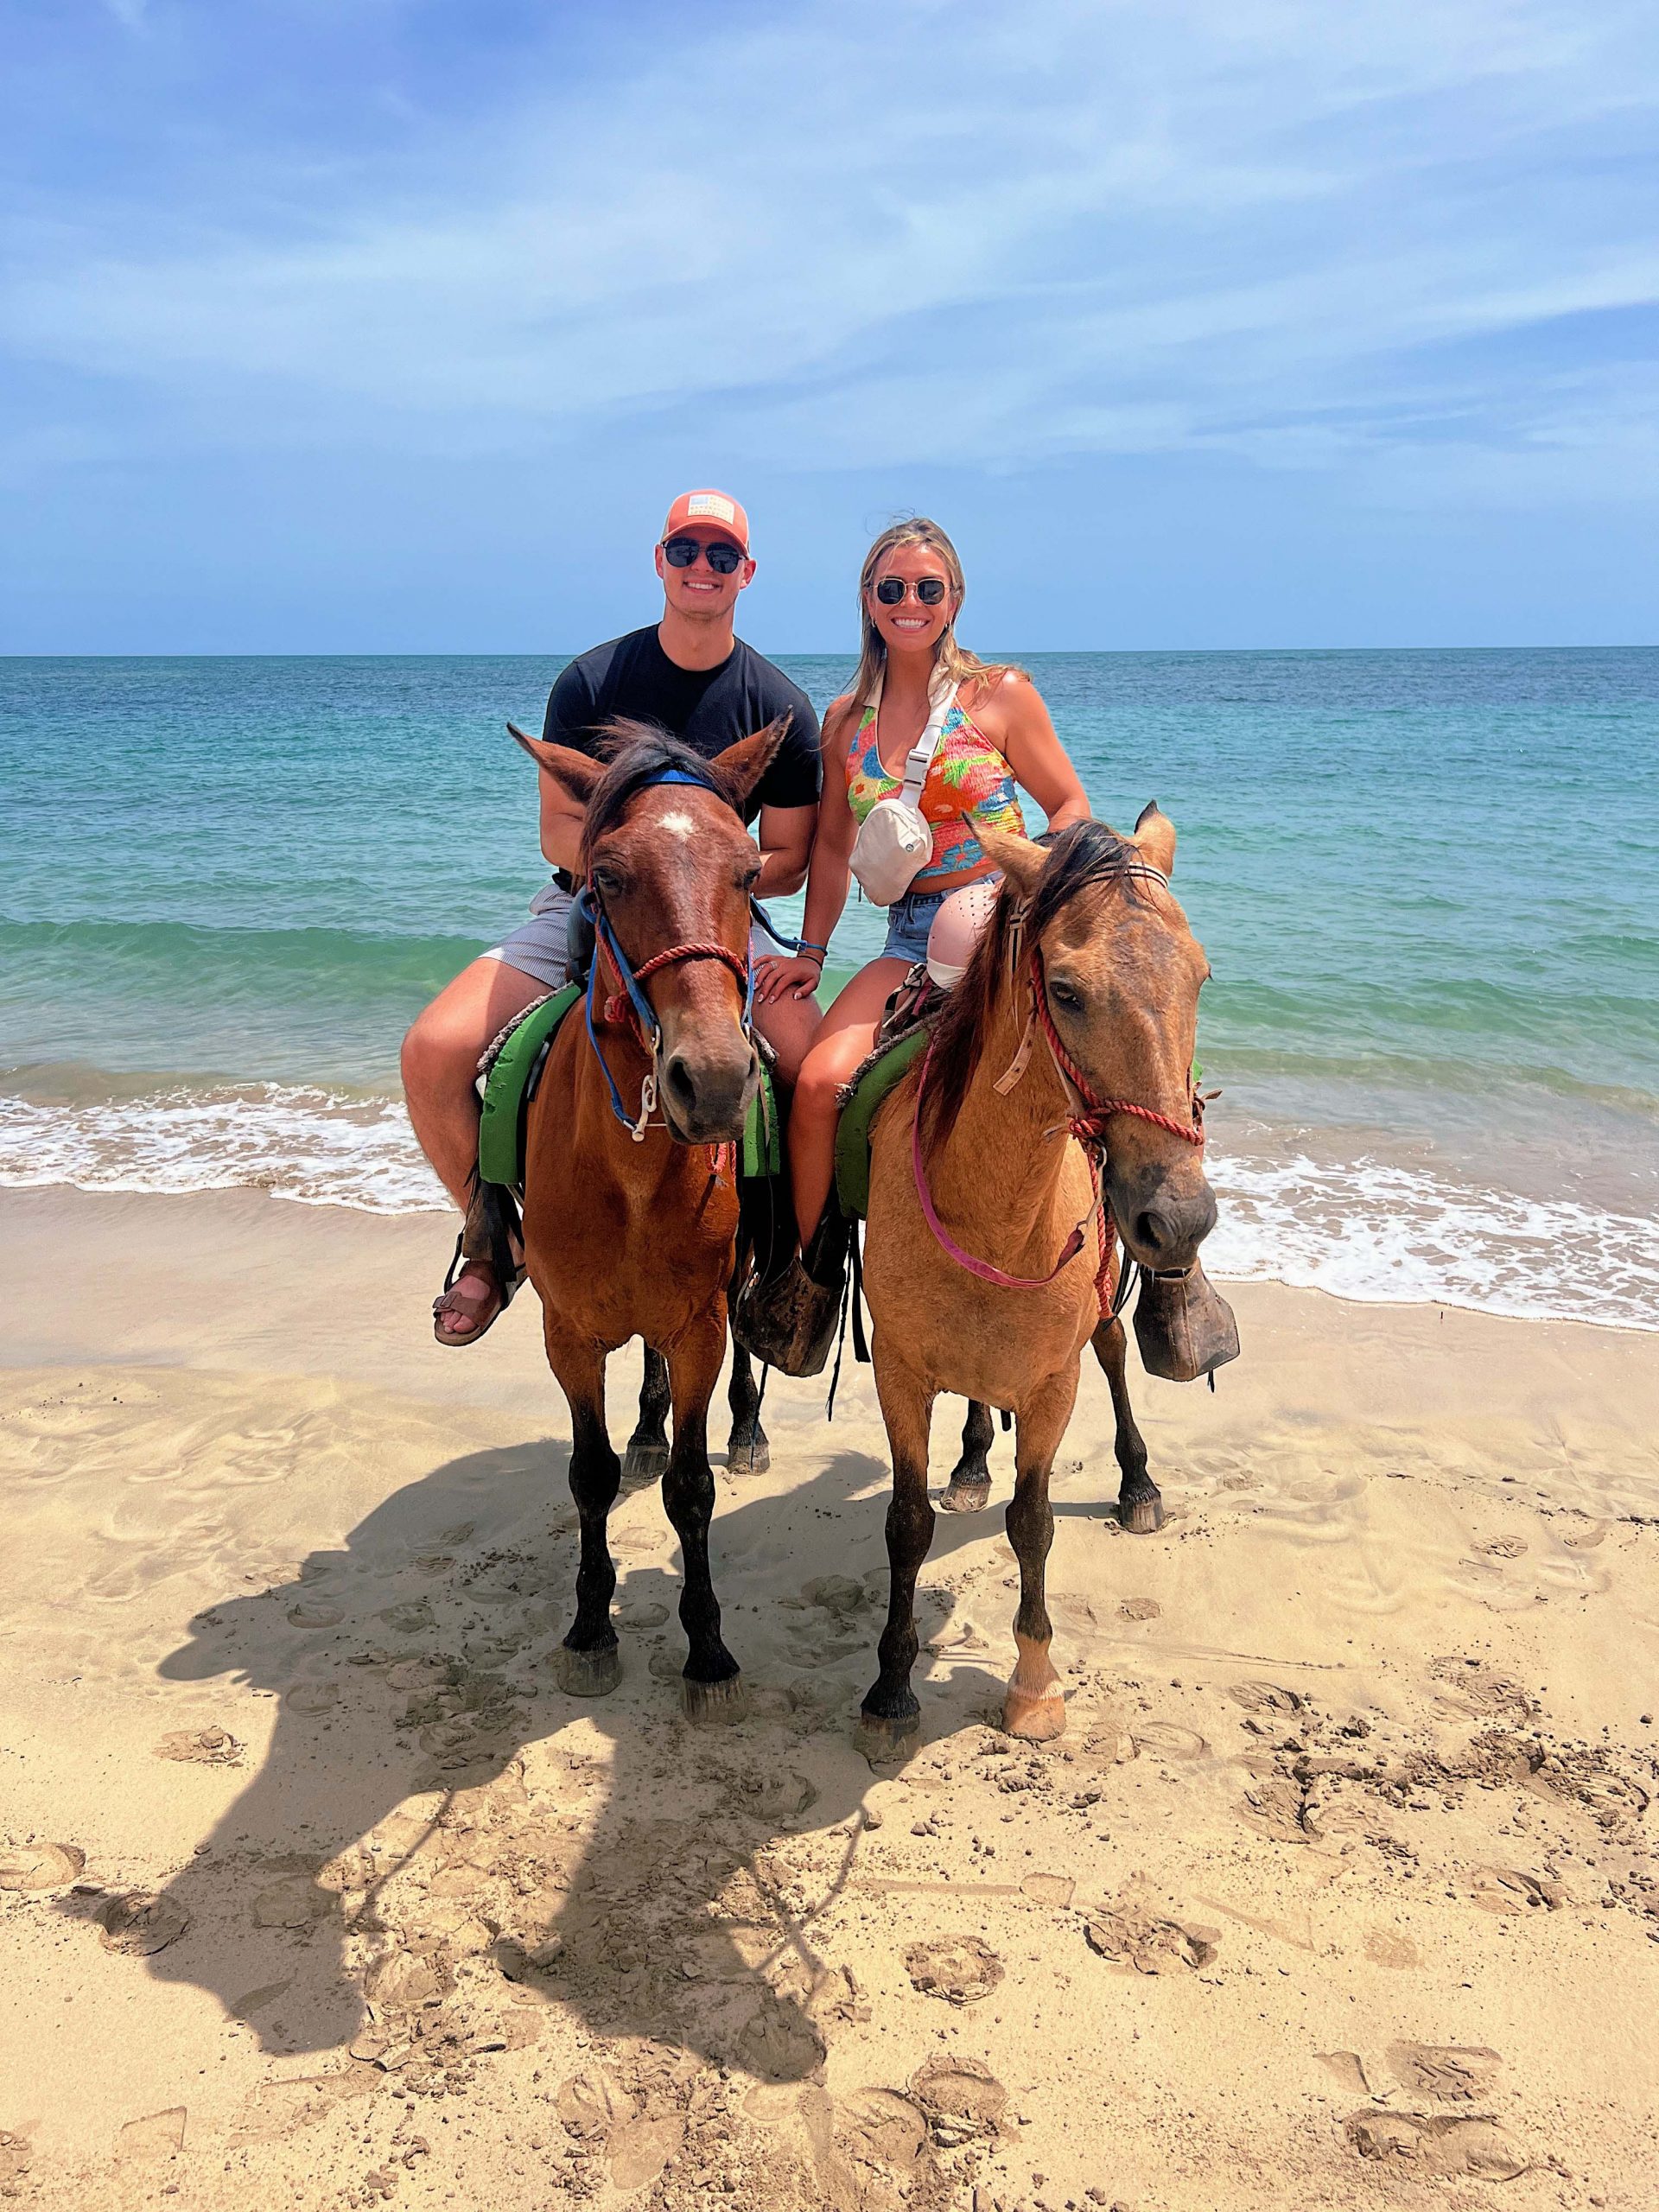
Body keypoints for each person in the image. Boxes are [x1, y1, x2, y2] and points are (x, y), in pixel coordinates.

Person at [404, 489, 824, 1346]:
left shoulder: (775, 702)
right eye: (685, 549)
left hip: (715, 921)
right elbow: (559, 829)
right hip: (590, 903)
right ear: (660, 561)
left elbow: (788, 856)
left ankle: (784, 1269)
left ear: (746, 571)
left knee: (814, 1074)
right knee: (432, 1053)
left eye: (720, 553)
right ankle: (495, 1240)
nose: (701, 567)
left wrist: (710, 871)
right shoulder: (593, 681)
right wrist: (635, 873)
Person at [736, 517, 1091, 1374]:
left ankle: (1167, 1274)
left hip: (1006, 926)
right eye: (891, 588)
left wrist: (1022, 885)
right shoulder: (843, 718)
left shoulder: (1001, 695)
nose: (909, 602)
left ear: (954, 600)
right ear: (867, 600)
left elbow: (1070, 808)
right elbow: (826, 846)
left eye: (927, 588)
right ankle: (813, 1270)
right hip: (907, 935)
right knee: (819, 1083)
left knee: (1105, 1070)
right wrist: (812, 951)